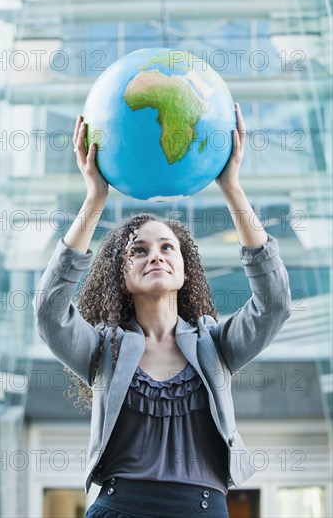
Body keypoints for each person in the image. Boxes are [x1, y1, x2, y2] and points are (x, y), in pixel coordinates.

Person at [33, 104, 291, 518]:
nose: (155, 255)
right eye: (139, 250)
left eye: (167, 247)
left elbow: (274, 303)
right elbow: (49, 312)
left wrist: (232, 190)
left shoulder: (215, 346)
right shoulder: (103, 351)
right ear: (121, 274)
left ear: (185, 267)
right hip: (118, 509)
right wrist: (95, 197)